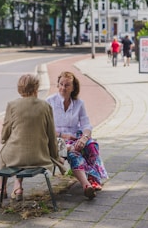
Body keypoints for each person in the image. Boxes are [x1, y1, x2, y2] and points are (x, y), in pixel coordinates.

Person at [0, 73, 64, 201]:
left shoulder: (12, 105)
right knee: (22, 147)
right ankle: (17, 187)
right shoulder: (45, 106)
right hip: (39, 157)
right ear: (36, 88)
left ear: (20, 88)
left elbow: (5, 134)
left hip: (16, 158)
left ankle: (2, 189)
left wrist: (5, 140)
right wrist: (56, 157)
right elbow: (51, 136)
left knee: (3, 147)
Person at [46, 71, 108, 200]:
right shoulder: (49, 102)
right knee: (74, 153)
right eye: (61, 84)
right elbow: (44, 127)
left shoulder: (79, 103)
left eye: (67, 85)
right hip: (58, 139)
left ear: (73, 87)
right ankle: (87, 185)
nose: (63, 87)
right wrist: (64, 136)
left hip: (76, 136)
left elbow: (86, 125)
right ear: (57, 85)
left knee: (91, 146)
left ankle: (94, 179)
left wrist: (84, 138)